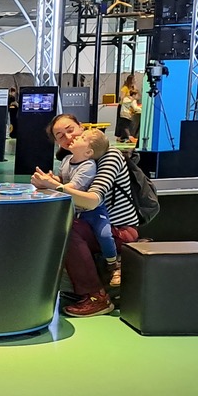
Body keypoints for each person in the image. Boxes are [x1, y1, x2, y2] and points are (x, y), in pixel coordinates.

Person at [31, 113, 140, 317]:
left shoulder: (110, 156)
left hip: (118, 229)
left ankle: (95, 296)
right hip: (90, 225)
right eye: (60, 136)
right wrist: (51, 182)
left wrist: (56, 186)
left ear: (81, 128)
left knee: (65, 229)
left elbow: (92, 200)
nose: (68, 137)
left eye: (70, 130)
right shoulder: (70, 160)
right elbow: (70, 188)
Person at [59, 129, 121, 288]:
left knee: (104, 233)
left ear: (88, 152)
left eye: (81, 137)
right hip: (77, 211)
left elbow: (72, 187)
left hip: (94, 211)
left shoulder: (89, 165)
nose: (72, 137)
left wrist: (53, 186)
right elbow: (62, 180)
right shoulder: (66, 161)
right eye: (59, 135)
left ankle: (113, 263)